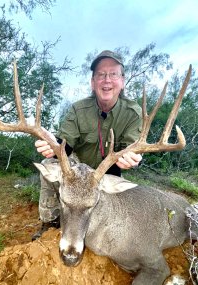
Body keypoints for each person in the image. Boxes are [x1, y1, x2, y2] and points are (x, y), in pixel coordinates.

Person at [32, 50, 143, 240]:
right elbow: (65, 145)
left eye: (113, 74)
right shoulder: (78, 109)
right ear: (93, 83)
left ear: (122, 81)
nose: (107, 80)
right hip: (77, 169)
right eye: (101, 75)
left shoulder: (133, 112)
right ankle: (50, 223)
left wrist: (134, 159)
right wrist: (54, 146)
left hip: (106, 173)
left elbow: (133, 148)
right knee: (49, 164)